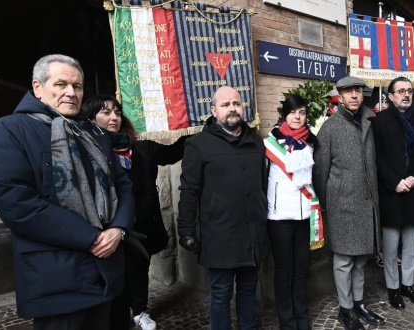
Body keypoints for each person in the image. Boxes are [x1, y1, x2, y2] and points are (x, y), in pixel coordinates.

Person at [0, 54, 135, 329]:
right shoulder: (11, 129)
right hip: (56, 277)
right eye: (61, 84)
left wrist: (119, 229)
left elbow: (122, 185)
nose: (71, 92)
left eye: (77, 86)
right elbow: (16, 203)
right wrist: (90, 238)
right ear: (38, 87)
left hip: (107, 271)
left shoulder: (95, 133)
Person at [83, 95, 188, 330]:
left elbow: (174, 152)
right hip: (107, 228)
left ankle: (140, 311)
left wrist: (205, 127)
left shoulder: (142, 148)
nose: (113, 117)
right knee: (113, 274)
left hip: (142, 225)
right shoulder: (88, 152)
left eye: (117, 113)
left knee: (139, 269)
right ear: (91, 119)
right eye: (106, 112)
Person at [177, 86, 267, 330]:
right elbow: (189, 191)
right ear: (213, 110)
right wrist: (186, 230)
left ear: (243, 107)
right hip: (220, 233)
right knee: (221, 293)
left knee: (249, 289)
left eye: (236, 103)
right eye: (225, 105)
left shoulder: (256, 143)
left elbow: (262, 184)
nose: (232, 109)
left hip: (252, 232)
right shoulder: (198, 145)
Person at [313, 76, 384, 330]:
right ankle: (345, 310)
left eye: (357, 91)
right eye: (348, 92)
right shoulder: (330, 127)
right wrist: (327, 204)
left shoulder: (370, 120)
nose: (354, 95)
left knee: (361, 259)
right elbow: (320, 173)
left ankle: (358, 303)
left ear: (362, 95)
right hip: (341, 204)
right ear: (340, 97)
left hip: (366, 203)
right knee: (343, 260)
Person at [371, 77, 414, 310]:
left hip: (413, 190)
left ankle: (408, 285)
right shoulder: (379, 121)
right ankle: (393, 288)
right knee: (390, 245)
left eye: (409, 90)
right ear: (391, 96)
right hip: (391, 192)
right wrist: (394, 181)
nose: (406, 94)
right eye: (401, 91)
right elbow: (376, 156)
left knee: (410, 243)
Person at [263, 94, 322, 330]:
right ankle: (286, 321)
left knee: (301, 269)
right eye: (293, 112)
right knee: (283, 271)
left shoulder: (311, 142)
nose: (297, 117)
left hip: (304, 216)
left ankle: (302, 317)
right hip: (279, 218)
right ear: (284, 115)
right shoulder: (270, 143)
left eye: (302, 113)